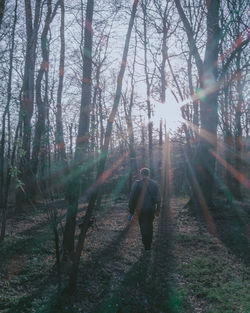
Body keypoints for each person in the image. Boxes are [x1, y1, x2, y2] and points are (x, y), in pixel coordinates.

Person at [128, 168, 161, 250]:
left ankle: (146, 244)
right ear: (148, 174)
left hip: (141, 210)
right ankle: (149, 244)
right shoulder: (155, 184)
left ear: (141, 174)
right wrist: (158, 210)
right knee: (150, 225)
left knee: (143, 226)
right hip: (151, 209)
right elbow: (158, 198)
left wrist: (131, 212)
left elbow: (132, 199)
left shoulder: (137, 184)